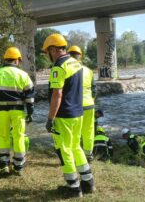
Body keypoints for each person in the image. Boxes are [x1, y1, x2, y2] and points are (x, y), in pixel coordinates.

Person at [43, 34, 95, 197]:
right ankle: (88, 182)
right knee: (75, 147)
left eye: (47, 52)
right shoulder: (76, 63)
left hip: (64, 115)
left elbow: (57, 95)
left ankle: (73, 187)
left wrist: (50, 118)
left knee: (65, 149)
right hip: (78, 113)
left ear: (53, 49)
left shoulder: (58, 66)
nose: (47, 56)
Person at [0, 47, 34, 176]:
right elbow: (29, 96)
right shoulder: (23, 75)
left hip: (1, 111)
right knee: (18, 137)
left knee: (2, 137)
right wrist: (30, 112)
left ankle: (3, 166)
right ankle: (18, 166)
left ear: (5, 59)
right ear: (17, 60)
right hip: (17, 111)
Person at [68, 45, 96, 162]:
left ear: (69, 56)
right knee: (88, 130)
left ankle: (76, 154)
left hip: (75, 105)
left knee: (75, 131)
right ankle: (88, 154)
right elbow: (94, 90)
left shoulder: (68, 69)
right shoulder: (89, 71)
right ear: (80, 56)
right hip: (89, 105)